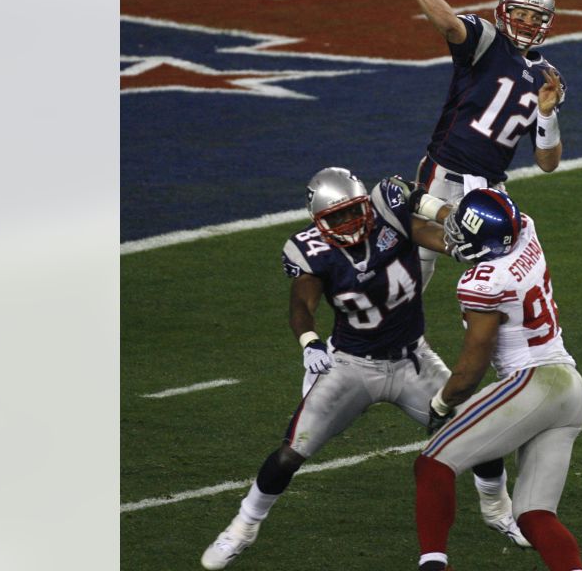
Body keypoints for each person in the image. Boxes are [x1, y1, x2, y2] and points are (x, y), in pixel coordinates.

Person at [200, 168, 529, 570]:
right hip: (351, 367)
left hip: (413, 360)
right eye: (336, 217)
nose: (348, 223)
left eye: (353, 211)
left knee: (479, 431)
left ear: (364, 204)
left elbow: (441, 239)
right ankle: (243, 526)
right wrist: (309, 343)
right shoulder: (310, 250)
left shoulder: (389, 217)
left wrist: (465, 240)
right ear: (318, 220)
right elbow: (301, 304)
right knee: (291, 453)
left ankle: (498, 511)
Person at [407, 187, 582, 571]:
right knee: (534, 516)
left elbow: (472, 366)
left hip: (533, 383)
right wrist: (422, 203)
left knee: (433, 465)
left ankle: (433, 565)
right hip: (571, 390)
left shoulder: (483, 283)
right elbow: (468, 231)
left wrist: (442, 402)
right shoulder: (524, 229)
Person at [382, 0, 568, 290]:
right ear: (503, 11)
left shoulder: (549, 77)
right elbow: (448, 24)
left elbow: (548, 163)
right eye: (521, 14)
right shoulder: (485, 40)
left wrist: (547, 113)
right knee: (413, 272)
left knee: (508, 277)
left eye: (536, 18)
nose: (527, 23)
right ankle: (393, 340)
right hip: (443, 174)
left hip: (491, 188)